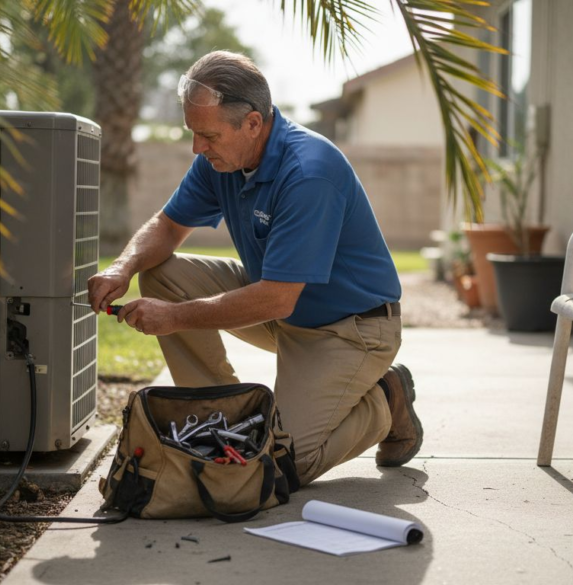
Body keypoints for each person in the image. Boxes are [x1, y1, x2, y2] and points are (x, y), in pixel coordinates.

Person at [87, 51, 422, 485]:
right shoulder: (221, 161)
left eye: (207, 135)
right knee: (163, 275)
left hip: (350, 329)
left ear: (252, 123)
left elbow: (278, 298)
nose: (197, 147)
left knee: (283, 465)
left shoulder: (308, 173)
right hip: (283, 311)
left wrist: (173, 318)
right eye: (193, 133)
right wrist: (121, 268)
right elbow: (168, 226)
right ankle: (219, 417)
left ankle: (384, 399)